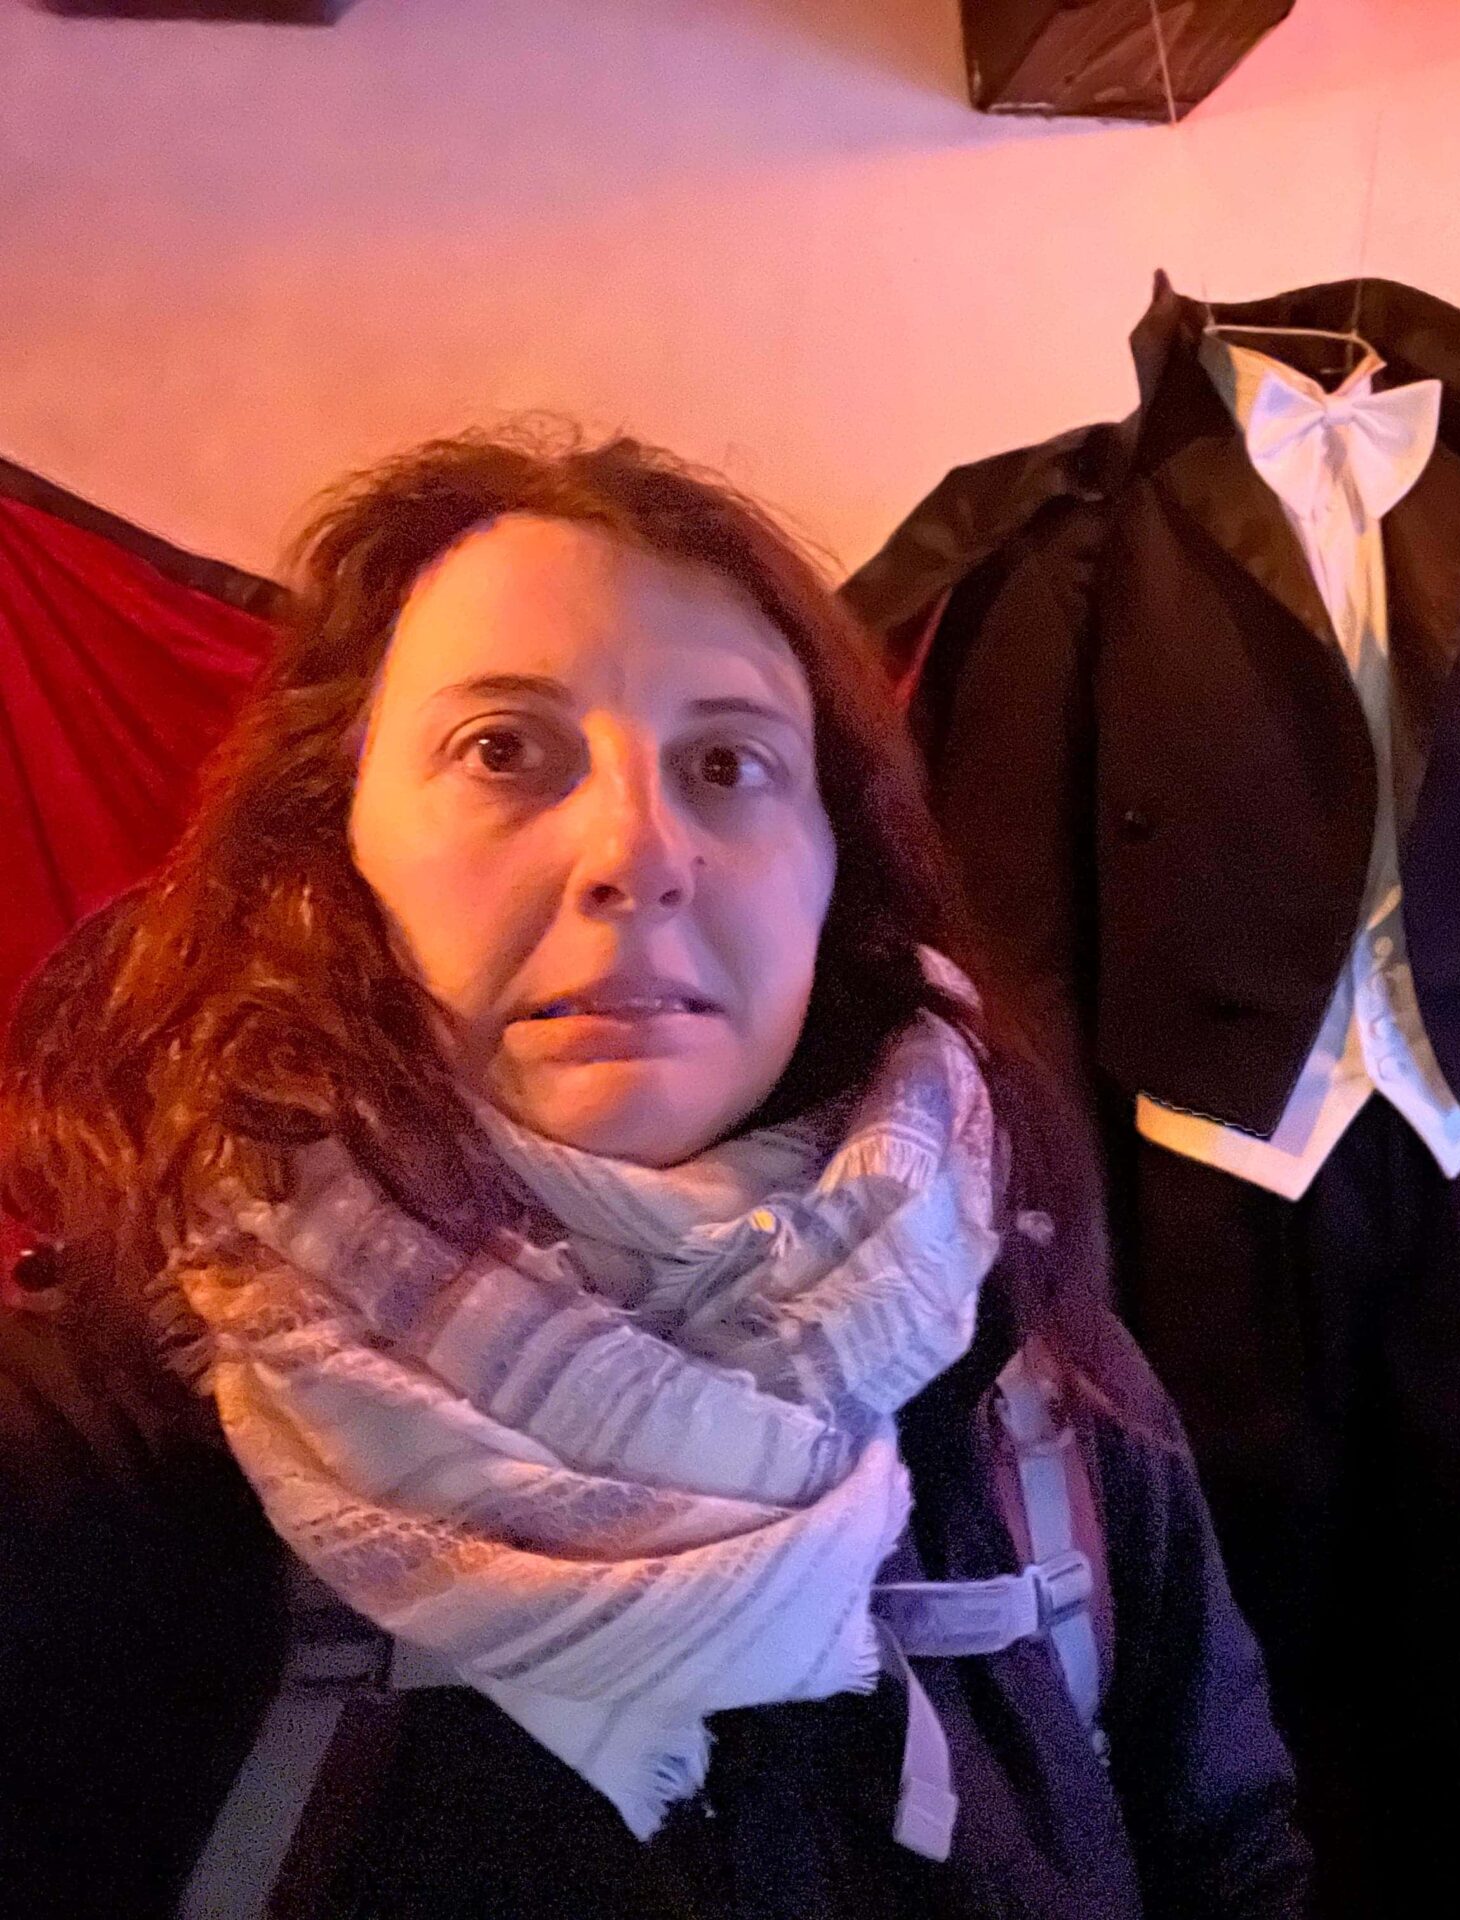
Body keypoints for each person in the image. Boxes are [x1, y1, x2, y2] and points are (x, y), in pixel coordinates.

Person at [0, 431, 1310, 1919]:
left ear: (836, 865)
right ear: (334, 843)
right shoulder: (95, 1458)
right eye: (504, 749)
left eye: (727, 765)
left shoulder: (1041, 1394)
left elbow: (1228, 1862)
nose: (636, 849)